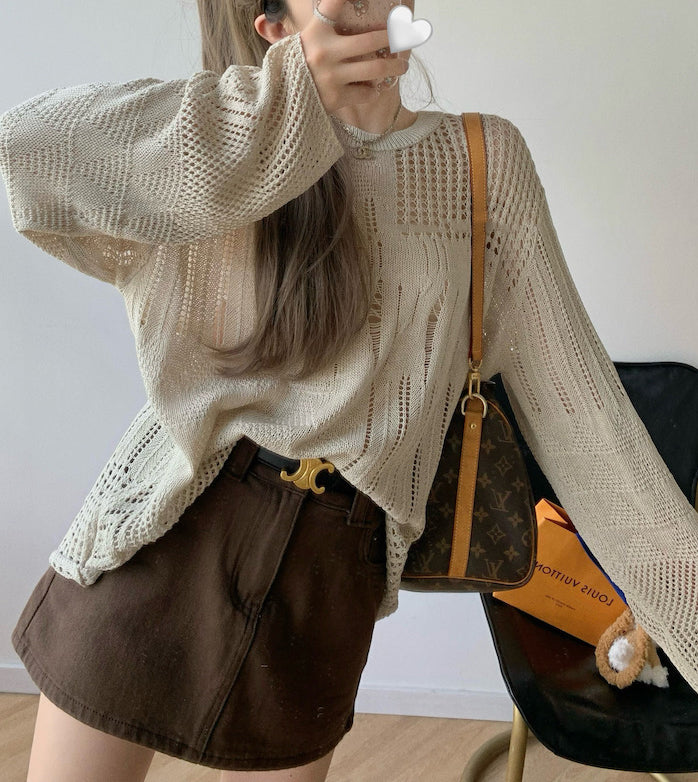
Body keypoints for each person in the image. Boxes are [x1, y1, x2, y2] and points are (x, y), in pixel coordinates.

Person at [2, 0, 697, 780]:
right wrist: (278, 107)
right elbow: (28, 150)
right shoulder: (225, 152)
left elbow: (596, 440)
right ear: (275, 27)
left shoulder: (482, 165)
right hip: (161, 536)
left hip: (325, 579)